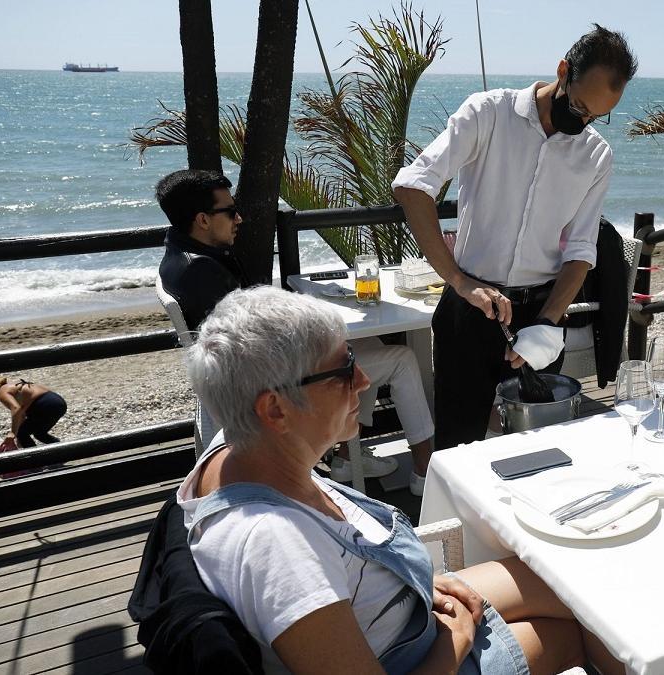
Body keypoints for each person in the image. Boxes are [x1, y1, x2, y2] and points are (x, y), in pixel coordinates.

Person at [176, 286, 621, 674]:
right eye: (343, 370)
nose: (365, 379)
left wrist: (413, 583)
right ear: (275, 410)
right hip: (421, 654)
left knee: (583, 586)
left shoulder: (237, 447)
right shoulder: (276, 547)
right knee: (590, 629)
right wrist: (458, 641)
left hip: (409, 606)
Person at [392, 25, 637, 449]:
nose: (583, 123)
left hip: (541, 314)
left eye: (597, 116)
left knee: (534, 453)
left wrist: (548, 322)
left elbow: (581, 249)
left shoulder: (596, 155)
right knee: (458, 449)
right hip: (469, 312)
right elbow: (412, 186)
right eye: (580, 107)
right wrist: (459, 281)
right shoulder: (488, 113)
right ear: (563, 70)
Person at [155, 170, 435, 492]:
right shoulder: (202, 272)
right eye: (230, 211)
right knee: (401, 358)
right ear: (203, 220)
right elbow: (253, 348)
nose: (239, 219)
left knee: (361, 345)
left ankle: (346, 458)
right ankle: (424, 472)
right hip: (268, 382)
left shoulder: (182, 255)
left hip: (245, 376)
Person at [0, 376, 68, 448]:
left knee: (22, 432)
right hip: (58, 402)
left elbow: (16, 409)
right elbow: (21, 415)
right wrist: (20, 439)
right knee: (39, 434)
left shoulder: (1, 392)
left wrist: (12, 433)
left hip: (45, 405)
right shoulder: (10, 385)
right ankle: (63, 448)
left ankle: (35, 458)